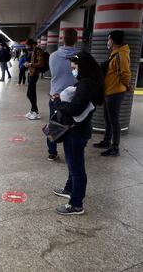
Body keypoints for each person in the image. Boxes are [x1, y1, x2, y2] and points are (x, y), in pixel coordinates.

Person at [52, 51, 105, 215]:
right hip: (79, 130)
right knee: (73, 164)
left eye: (74, 67)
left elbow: (75, 109)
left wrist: (58, 103)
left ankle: (76, 204)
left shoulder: (86, 84)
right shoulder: (89, 82)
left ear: (83, 67)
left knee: (77, 168)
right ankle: (69, 189)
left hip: (76, 132)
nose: (73, 71)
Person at [93, 30, 131, 157]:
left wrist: (126, 86)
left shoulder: (121, 55)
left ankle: (115, 147)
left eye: (108, 39)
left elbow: (125, 73)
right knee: (108, 118)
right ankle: (106, 141)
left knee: (114, 120)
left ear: (113, 40)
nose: (107, 41)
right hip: (109, 91)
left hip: (115, 92)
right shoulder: (115, 53)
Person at [47, 28, 78, 161]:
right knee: (75, 126)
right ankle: (72, 153)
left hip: (56, 97)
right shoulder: (81, 57)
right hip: (75, 98)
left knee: (54, 124)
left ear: (62, 39)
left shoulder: (53, 56)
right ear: (76, 39)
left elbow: (54, 74)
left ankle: (52, 152)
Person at [24, 39, 44, 120]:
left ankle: (36, 112)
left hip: (34, 74)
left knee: (29, 93)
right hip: (31, 73)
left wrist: (30, 64)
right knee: (32, 93)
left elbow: (41, 64)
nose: (27, 48)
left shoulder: (38, 51)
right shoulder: (33, 51)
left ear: (32, 45)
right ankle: (33, 110)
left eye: (28, 46)